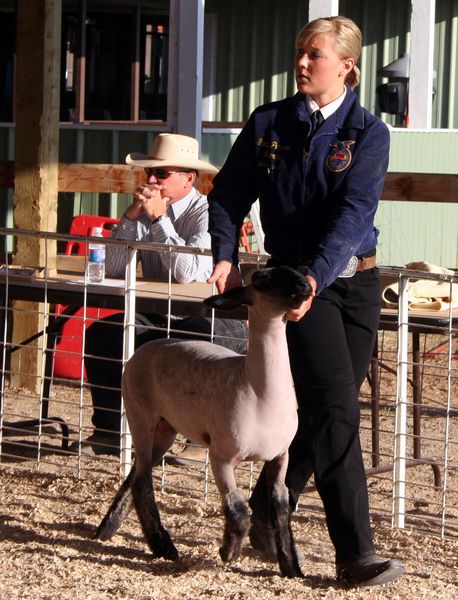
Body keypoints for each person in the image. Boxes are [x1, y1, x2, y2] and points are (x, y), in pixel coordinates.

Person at [207, 16, 404, 588]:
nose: (301, 62)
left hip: (354, 281)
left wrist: (322, 275)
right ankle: (355, 554)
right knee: (338, 410)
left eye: (313, 55)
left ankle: (275, 503)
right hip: (294, 284)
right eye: (299, 52)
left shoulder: (367, 133)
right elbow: (229, 192)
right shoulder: (271, 121)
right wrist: (225, 251)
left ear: (346, 65)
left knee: (323, 409)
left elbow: (354, 213)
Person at [77, 133, 247, 456]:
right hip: (158, 312)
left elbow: (186, 272)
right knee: (103, 334)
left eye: (162, 174)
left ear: (189, 178)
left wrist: (158, 219)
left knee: (203, 345)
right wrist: (130, 218)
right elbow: (113, 267)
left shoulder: (207, 212)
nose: (152, 180)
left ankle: (203, 439)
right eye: (149, 173)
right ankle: (110, 431)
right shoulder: (145, 209)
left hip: (209, 315)